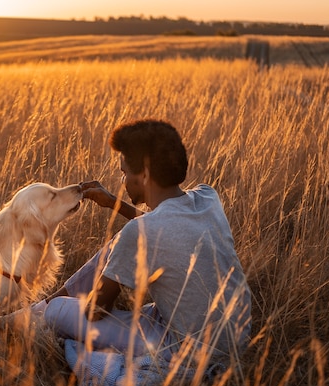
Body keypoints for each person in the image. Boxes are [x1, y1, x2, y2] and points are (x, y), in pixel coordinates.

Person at [30, 119, 251, 365]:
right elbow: (168, 224)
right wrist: (114, 203)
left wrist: (96, 290)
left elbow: (95, 312)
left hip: (185, 349)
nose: (122, 180)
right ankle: (35, 310)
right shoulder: (208, 197)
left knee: (58, 310)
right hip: (236, 338)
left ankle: (38, 311)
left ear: (144, 175)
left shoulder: (139, 232)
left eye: (124, 173)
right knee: (119, 241)